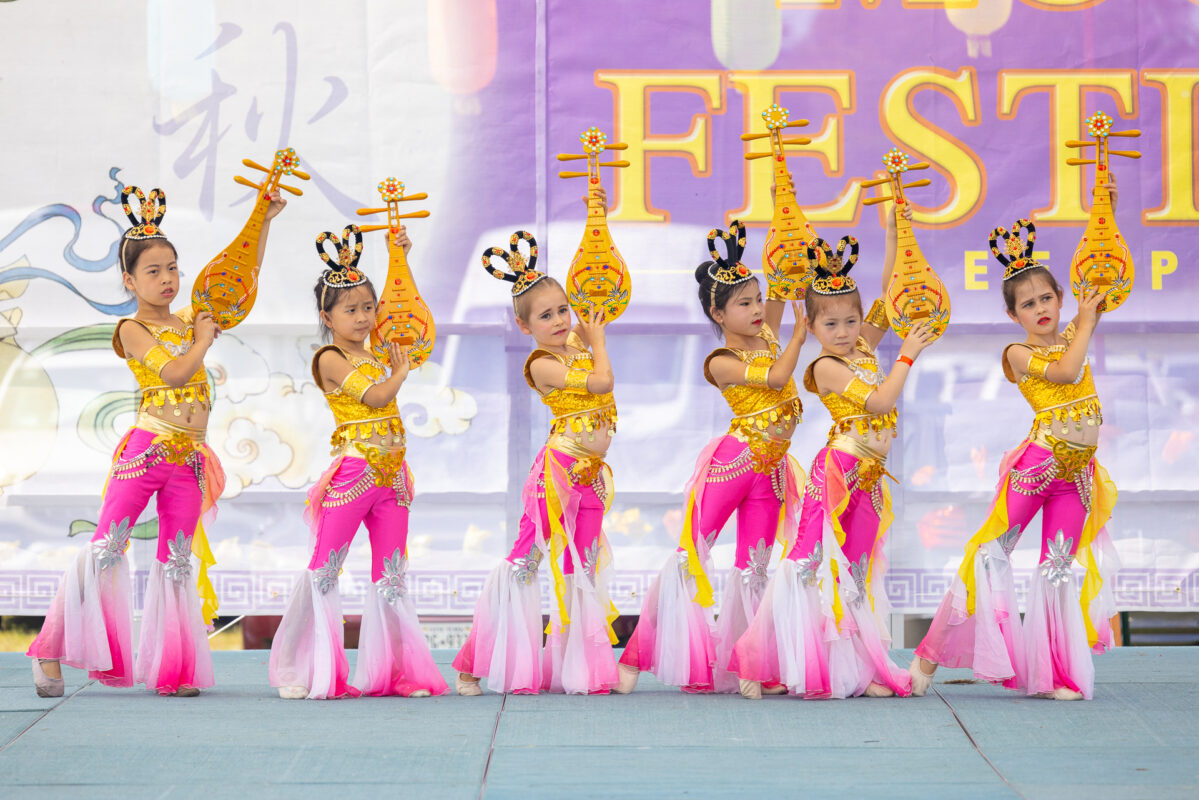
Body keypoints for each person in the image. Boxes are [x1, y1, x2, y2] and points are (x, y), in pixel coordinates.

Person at [28, 184, 286, 696]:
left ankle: (174, 670)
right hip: (148, 450)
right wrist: (204, 341)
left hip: (189, 459)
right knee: (107, 549)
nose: (167, 279)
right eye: (153, 271)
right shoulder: (131, 328)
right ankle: (48, 651)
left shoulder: (191, 320)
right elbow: (171, 374)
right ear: (129, 279)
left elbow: (236, 282)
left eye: (172, 269)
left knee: (177, 561)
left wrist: (264, 220)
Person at [910, 215, 1119, 701]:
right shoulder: (1018, 352)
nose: (1040, 308)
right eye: (1028, 304)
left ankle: (1053, 675)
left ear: (1061, 298)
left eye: (1047, 298)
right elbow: (1066, 375)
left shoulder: (1073, 334)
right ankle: (929, 652)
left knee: (1058, 568)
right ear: (1014, 315)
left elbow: (1106, 283)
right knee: (989, 554)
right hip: (1037, 468)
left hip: (1076, 475)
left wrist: (1104, 206)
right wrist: (1086, 321)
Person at [735, 205, 936, 699]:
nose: (844, 331)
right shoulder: (825, 366)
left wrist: (893, 232)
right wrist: (907, 354)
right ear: (813, 325)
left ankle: (858, 668)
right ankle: (756, 662)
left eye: (851, 321)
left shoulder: (864, 346)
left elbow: (890, 297)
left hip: (869, 476)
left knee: (856, 572)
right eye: (832, 324)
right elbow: (881, 400)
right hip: (838, 471)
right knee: (806, 564)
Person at [616, 221, 806, 694]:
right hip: (733, 465)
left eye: (759, 299)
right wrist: (801, 337)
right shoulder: (722, 360)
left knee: (755, 569)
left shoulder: (771, 337)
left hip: (772, 473)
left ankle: (753, 666)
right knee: (688, 557)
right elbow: (779, 381)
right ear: (717, 313)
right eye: (744, 303)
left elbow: (788, 279)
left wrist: (790, 230)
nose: (759, 308)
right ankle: (635, 657)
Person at [269, 225, 447, 700]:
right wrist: (401, 371)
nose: (364, 316)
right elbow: (374, 398)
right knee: (325, 568)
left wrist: (399, 257)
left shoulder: (375, 355)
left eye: (369, 307)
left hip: (392, 475)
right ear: (327, 316)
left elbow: (404, 308)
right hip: (353, 474)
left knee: (391, 576)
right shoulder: (330, 358)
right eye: (351, 310)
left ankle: (397, 674)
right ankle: (303, 672)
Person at [453, 229, 621, 695]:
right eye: (546, 316)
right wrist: (599, 342)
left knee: (581, 567)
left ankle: (578, 669)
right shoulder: (542, 363)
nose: (559, 320)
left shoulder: (578, 349)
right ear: (525, 326)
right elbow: (601, 385)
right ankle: (473, 663)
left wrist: (588, 338)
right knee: (524, 562)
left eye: (563, 310)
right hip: (557, 473)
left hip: (590, 477)